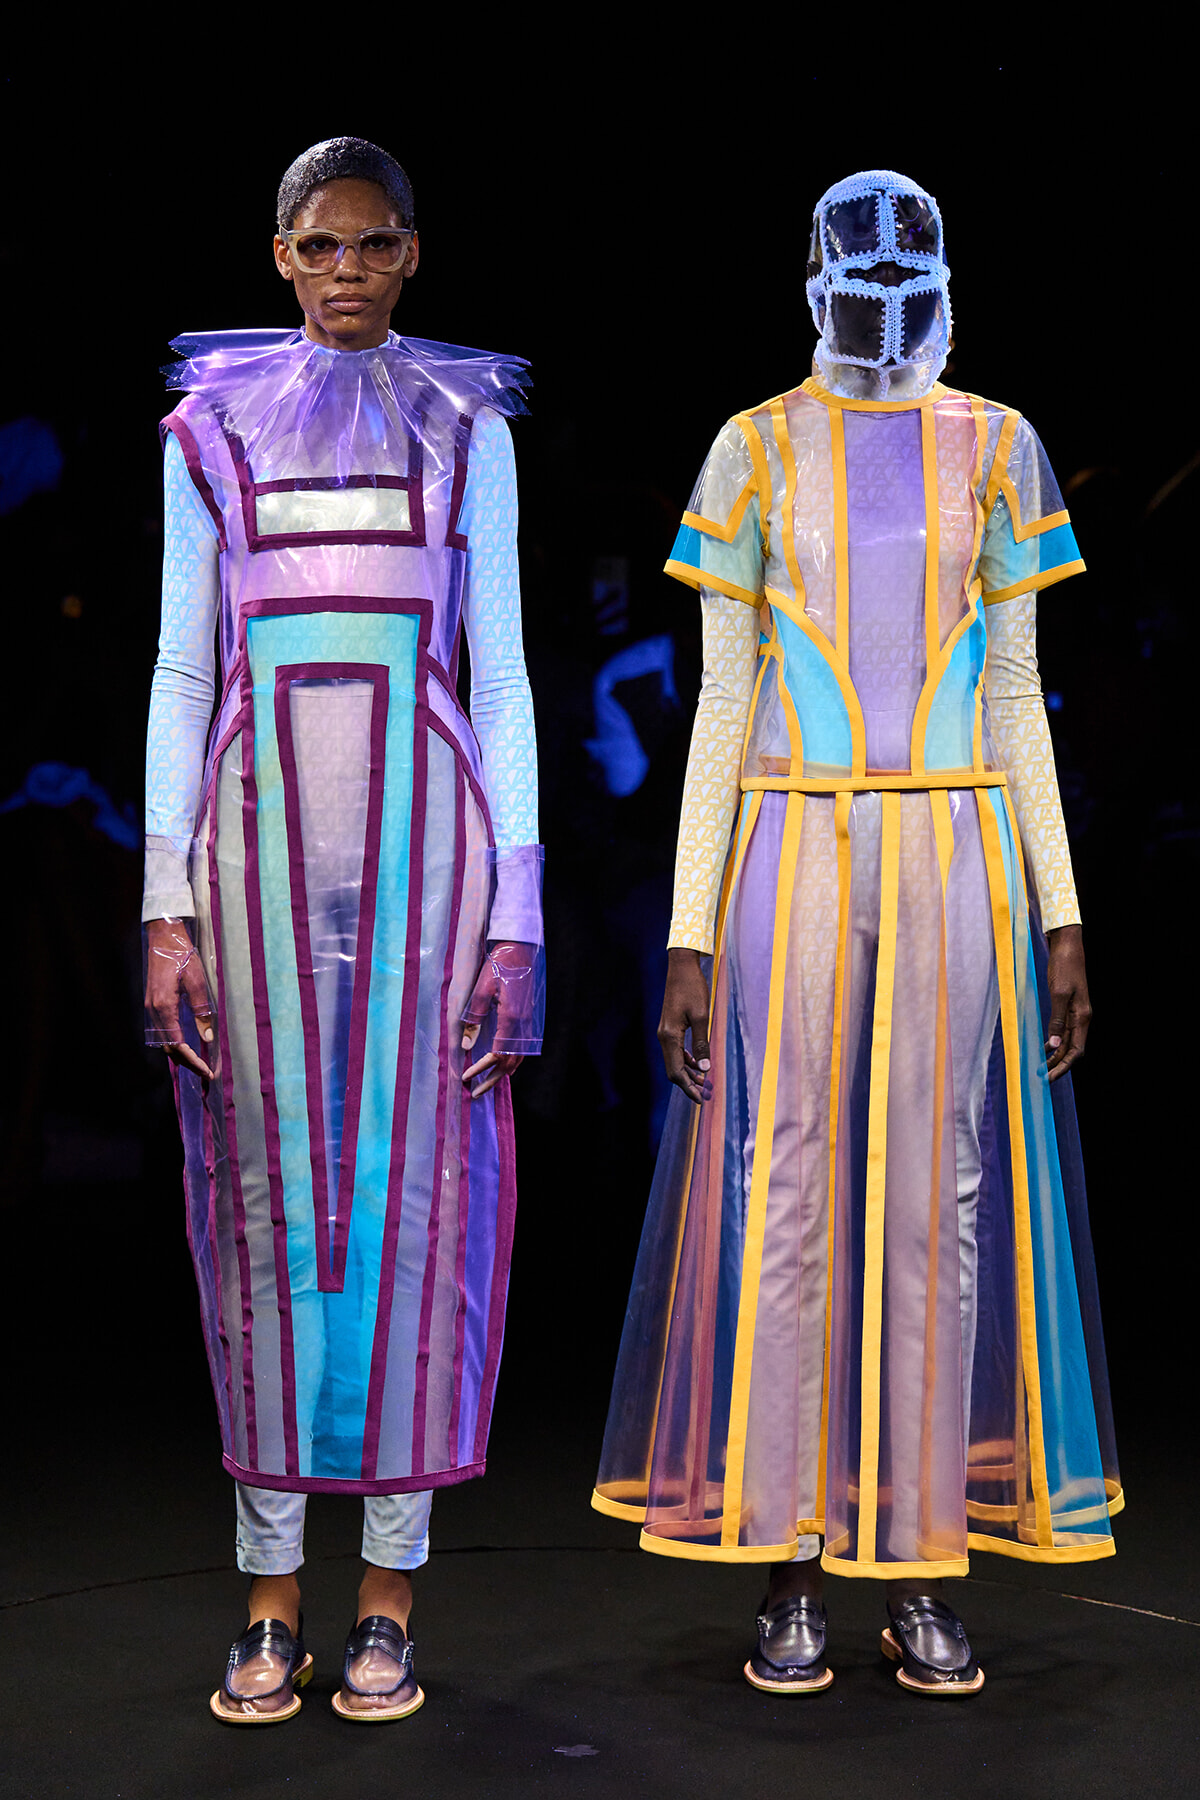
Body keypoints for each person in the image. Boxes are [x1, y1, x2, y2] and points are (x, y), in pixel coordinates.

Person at [593, 169, 1119, 1698]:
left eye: (909, 277)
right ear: (817, 279)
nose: (883, 304)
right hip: (794, 850)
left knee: (943, 1198)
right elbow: (724, 701)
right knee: (789, 1192)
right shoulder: (754, 447)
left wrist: (1062, 908)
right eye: (857, 277)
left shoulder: (998, 444)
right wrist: (688, 932)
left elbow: (1013, 690)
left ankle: (922, 1561)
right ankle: (789, 1562)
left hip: (956, 850)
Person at [143, 137, 543, 1724]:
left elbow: (500, 670)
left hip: (430, 866)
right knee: (263, 1219)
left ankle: (386, 1597)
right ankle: (267, 1597)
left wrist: (516, 913)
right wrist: (164, 906)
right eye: (322, 245)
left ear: (413, 254)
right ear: (282, 257)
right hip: (248, 866)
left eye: (376, 244)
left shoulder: (466, 424)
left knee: (412, 1220)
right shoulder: (210, 426)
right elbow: (183, 670)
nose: (350, 271)